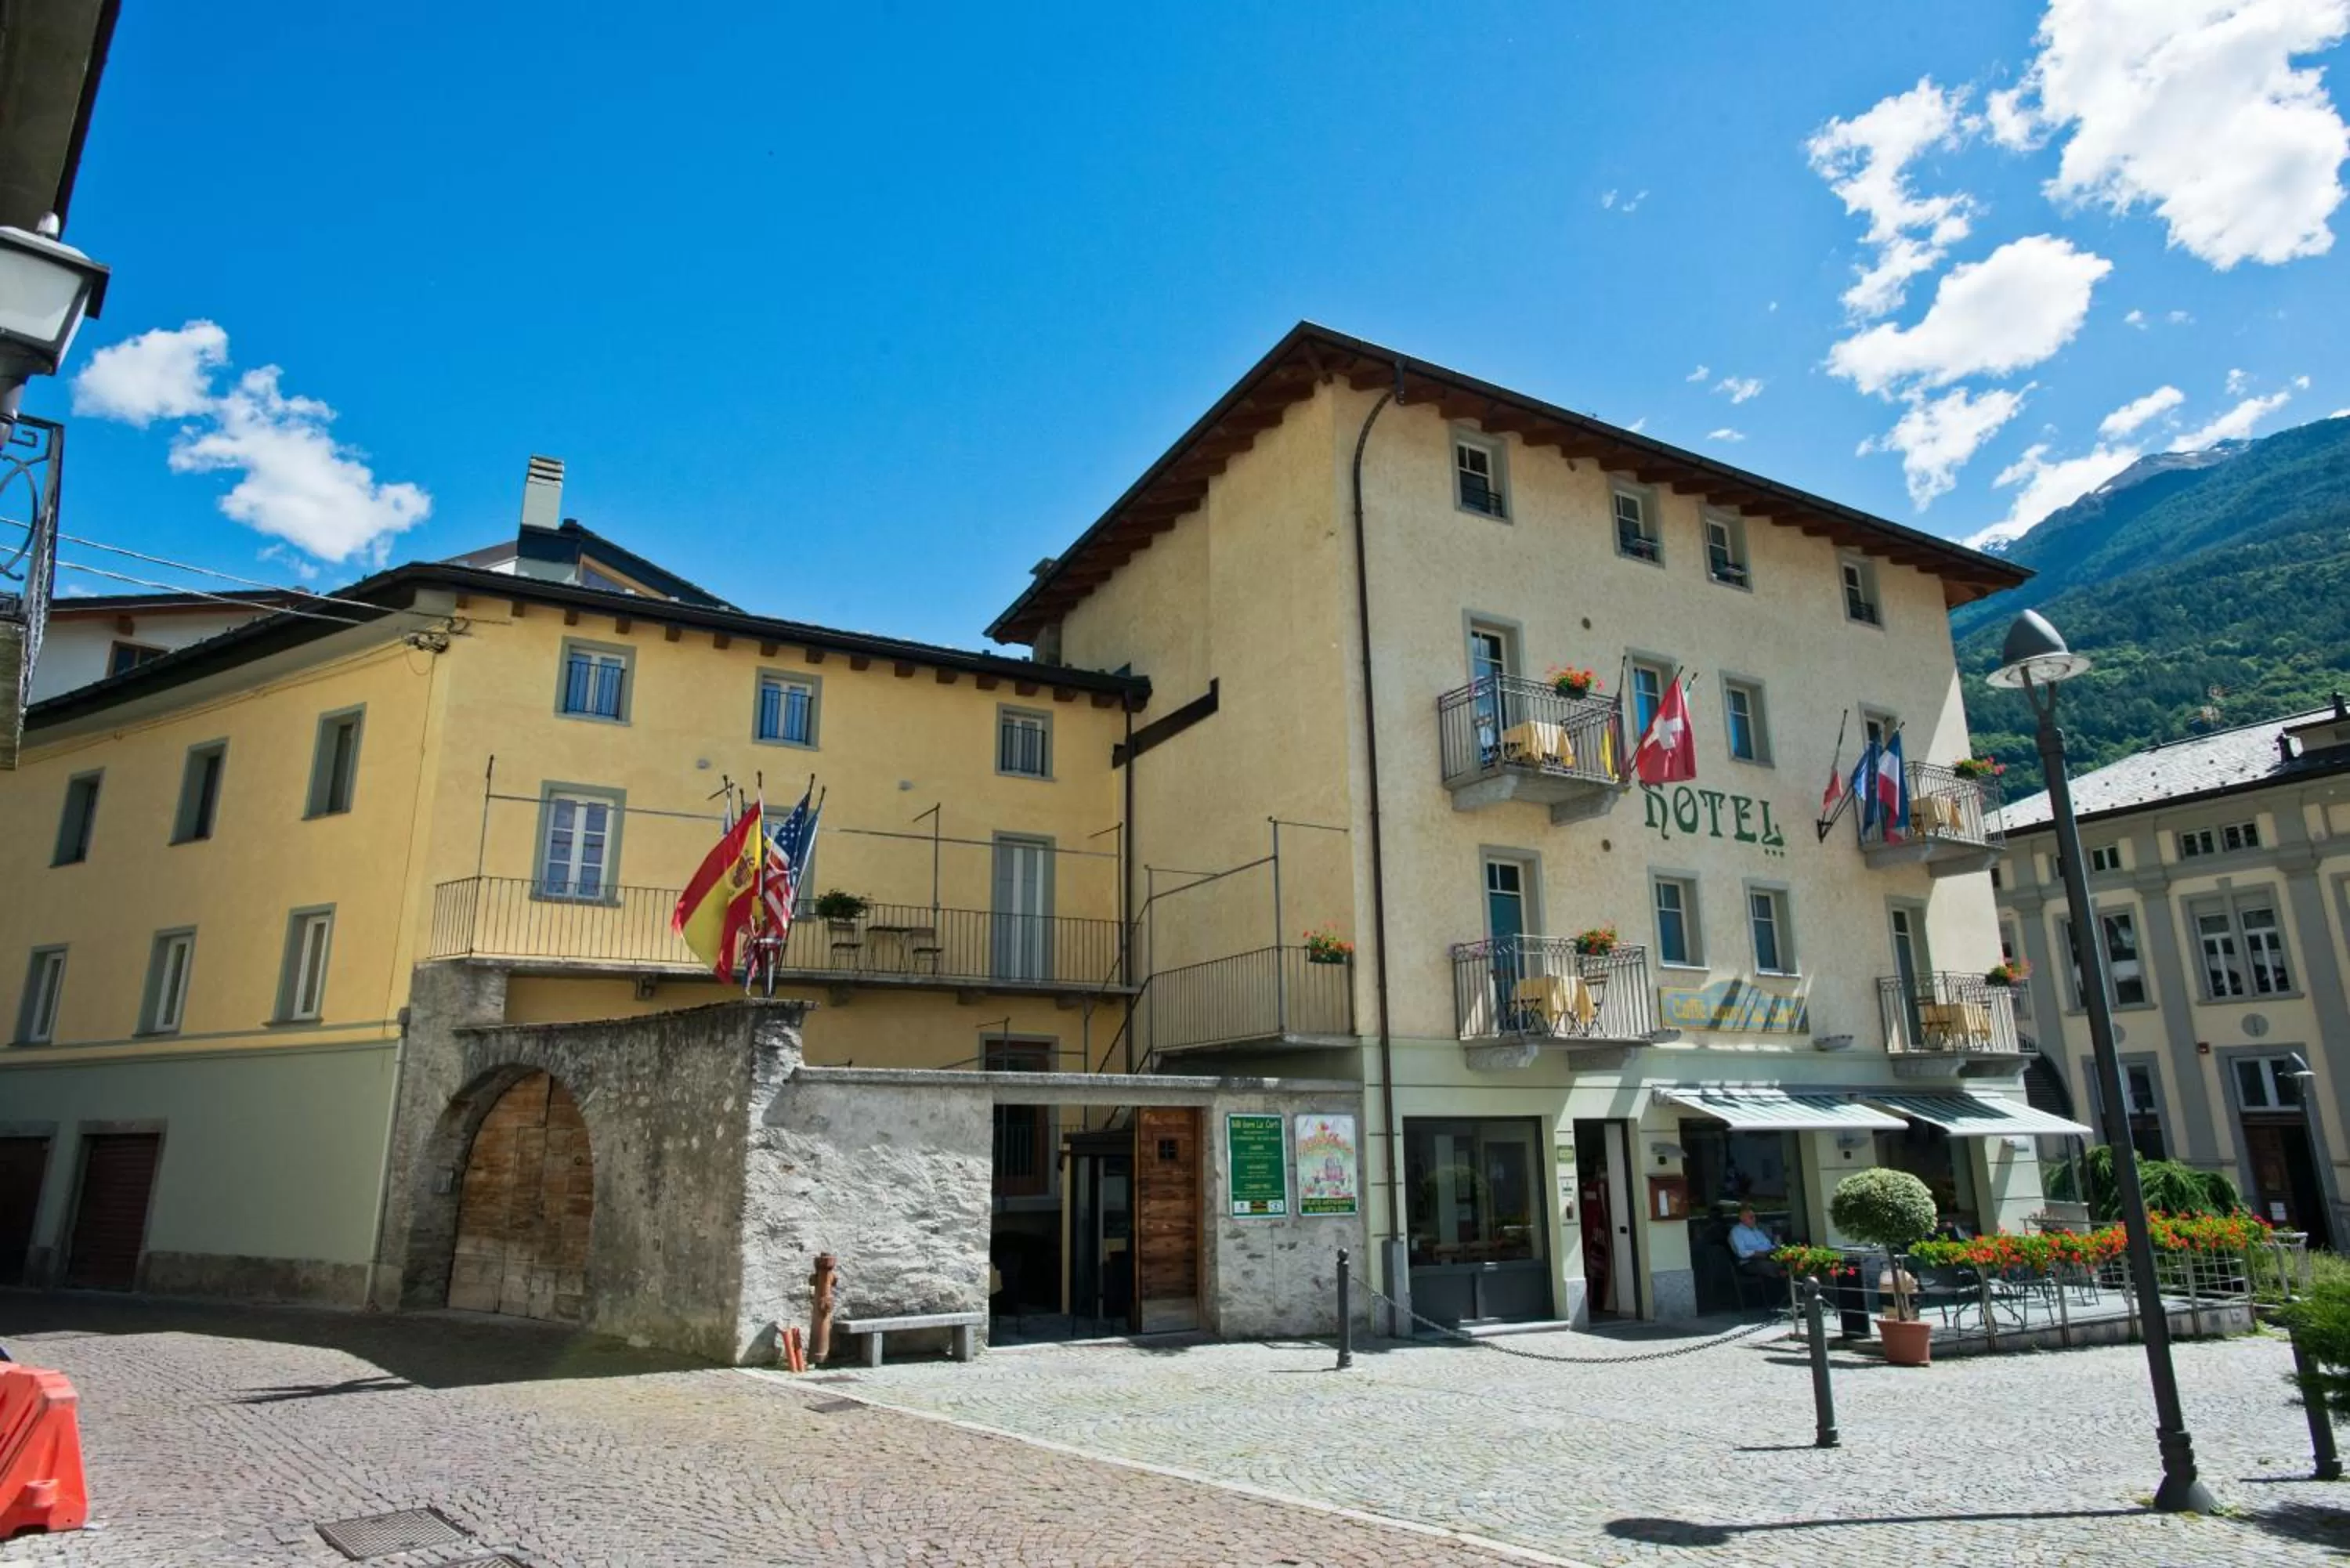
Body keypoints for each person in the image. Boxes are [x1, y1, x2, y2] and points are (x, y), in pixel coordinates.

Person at [1728, 1205, 1784, 1279]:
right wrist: (1760, 1254)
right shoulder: (1737, 1231)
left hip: (1767, 1256)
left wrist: (1774, 1249)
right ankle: (1782, 1283)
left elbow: (1767, 1244)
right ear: (1742, 1218)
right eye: (1751, 1217)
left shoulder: (1756, 1230)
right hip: (1749, 1262)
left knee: (1790, 1260)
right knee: (1772, 1266)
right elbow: (1742, 1253)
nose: (1754, 1219)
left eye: (1754, 1217)